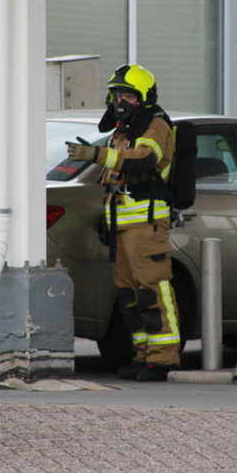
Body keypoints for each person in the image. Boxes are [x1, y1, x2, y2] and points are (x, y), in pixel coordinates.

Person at [66, 64, 179, 382]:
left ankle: (163, 358)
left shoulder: (155, 126)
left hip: (146, 224)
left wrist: (97, 154)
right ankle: (143, 355)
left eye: (128, 95)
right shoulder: (123, 132)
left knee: (152, 290)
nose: (121, 101)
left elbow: (144, 160)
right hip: (123, 225)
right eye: (116, 95)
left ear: (143, 99)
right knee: (129, 295)